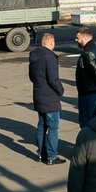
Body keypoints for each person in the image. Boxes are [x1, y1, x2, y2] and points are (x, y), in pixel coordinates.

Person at [28, 30, 65, 163]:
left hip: (38, 94)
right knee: (53, 127)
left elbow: (31, 77)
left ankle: (40, 153)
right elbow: (53, 79)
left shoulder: (34, 56)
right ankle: (52, 156)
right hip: (50, 97)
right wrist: (60, 90)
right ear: (51, 43)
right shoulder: (49, 57)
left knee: (42, 126)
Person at [71, 23, 96, 128]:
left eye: (78, 38)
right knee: (94, 120)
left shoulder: (88, 53)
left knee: (87, 123)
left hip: (89, 93)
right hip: (94, 91)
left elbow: (95, 73)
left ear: (85, 38)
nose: (76, 40)